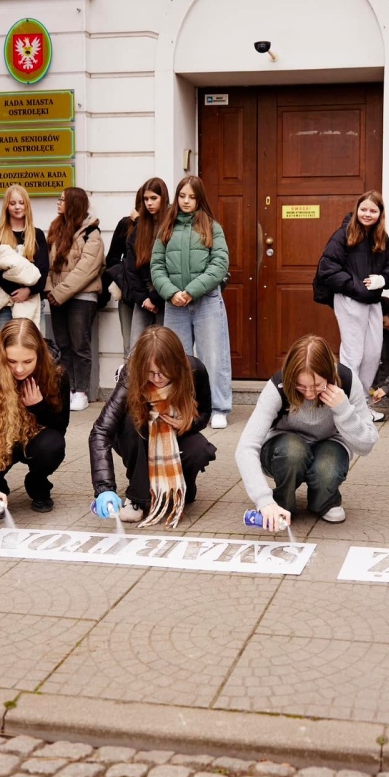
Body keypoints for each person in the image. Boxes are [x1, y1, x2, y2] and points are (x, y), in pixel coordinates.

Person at [236, 334, 379, 530]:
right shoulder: (279, 386)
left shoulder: (346, 381)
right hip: (284, 447)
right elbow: (246, 447)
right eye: (301, 386)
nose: (310, 393)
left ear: (329, 374)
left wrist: (344, 410)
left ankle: (324, 500)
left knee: (327, 465)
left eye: (317, 386)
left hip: (330, 443)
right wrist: (263, 500)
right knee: (293, 450)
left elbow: (367, 445)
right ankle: (280, 502)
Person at [89, 326, 216, 526]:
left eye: (163, 372)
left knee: (199, 449)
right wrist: (104, 489)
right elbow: (101, 431)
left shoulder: (194, 369)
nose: (157, 379)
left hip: (176, 435)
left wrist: (189, 423)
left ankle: (181, 486)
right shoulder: (132, 374)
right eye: (150, 372)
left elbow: (206, 412)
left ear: (177, 364)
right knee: (131, 423)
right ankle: (137, 496)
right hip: (139, 436)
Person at [0, 318, 69, 516]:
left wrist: (39, 407)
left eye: (27, 361)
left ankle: (37, 483)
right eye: (11, 361)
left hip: (35, 439)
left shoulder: (56, 374)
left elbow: (60, 426)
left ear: (39, 355)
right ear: (2, 357)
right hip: (0, 440)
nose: (19, 369)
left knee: (52, 444)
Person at [151, 175, 233, 430]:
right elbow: (156, 266)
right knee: (175, 357)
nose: (186, 201)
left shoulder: (212, 226)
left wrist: (192, 291)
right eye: (182, 196)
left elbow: (220, 264)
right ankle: (180, 404)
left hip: (206, 300)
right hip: (175, 303)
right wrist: (171, 292)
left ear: (199, 199)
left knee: (213, 356)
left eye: (192, 197)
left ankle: (218, 407)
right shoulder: (167, 227)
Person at [313, 191, 389, 422]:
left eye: (373, 210)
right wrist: (355, 286)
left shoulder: (382, 238)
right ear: (357, 209)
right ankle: (349, 408)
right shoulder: (343, 234)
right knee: (353, 355)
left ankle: (362, 405)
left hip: (372, 301)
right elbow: (327, 268)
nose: (367, 214)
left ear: (380, 213)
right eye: (364, 209)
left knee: (372, 354)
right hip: (349, 299)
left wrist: (383, 279)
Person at [46, 186, 105, 412]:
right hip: (57, 297)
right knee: (63, 345)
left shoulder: (92, 233)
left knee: (80, 345)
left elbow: (86, 270)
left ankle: (81, 391)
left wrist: (59, 293)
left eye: (62, 200)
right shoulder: (56, 229)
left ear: (74, 204)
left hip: (82, 297)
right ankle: (66, 390)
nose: (58, 203)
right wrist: (51, 290)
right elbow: (49, 266)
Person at [109, 178, 168, 357]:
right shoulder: (139, 228)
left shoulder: (171, 227)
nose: (149, 203)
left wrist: (155, 297)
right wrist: (144, 298)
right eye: (146, 199)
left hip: (164, 295)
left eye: (154, 198)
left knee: (163, 349)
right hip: (141, 297)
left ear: (163, 198)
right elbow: (130, 266)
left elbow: (172, 266)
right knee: (135, 350)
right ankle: (134, 386)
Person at [0, 185, 49, 340]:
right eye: (12, 203)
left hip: (31, 301)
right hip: (3, 305)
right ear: (6, 206)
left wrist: (28, 291)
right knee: (0, 351)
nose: (17, 207)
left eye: (21, 203)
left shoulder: (37, 235)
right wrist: (15, 293)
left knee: (31, 348)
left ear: (26, 205)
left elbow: (43, 269)